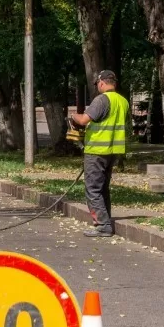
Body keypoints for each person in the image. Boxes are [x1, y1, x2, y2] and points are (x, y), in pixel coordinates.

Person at [69, 70, 128, 238]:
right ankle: (106, 220)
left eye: (98, 84)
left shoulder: (101, 100)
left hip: (97, 150)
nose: (98, 87)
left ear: (102, 82)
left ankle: (103, 225)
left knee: (93, 189)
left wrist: (73, 115)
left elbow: (83, 120)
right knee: (103, 188)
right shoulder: (122, 101)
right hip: (113, 151)